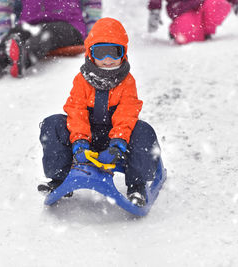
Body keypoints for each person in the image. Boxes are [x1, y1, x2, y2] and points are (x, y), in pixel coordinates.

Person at [38, 18, 162, 207]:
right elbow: (76, 110)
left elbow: (127, 113)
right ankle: (60, 179)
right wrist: (79, 142)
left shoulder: (127, 82)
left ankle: (137, 186)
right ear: (90, 53)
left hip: (116, 142)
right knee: (52, 124)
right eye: (101, 52)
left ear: (123, 53)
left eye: (114, 52)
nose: (107, 59)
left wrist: (118, 143)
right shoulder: (81, 80)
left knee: (144, 131)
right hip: (85, 140)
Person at [0, 0, 102, 80]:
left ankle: (24, 57)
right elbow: (3, 4)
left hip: (69, 26)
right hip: (31, 23)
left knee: (47, 34)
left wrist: (93, 35)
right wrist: (5, 35)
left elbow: (92, 4)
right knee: (17, 33)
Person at [147, 0, 238, 45]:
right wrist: (154, 11)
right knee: (187, 37)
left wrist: (235, 3)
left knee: (219, 4)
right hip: (182, 9)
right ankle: (177, 29)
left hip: (204, 3)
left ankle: (205, 30)